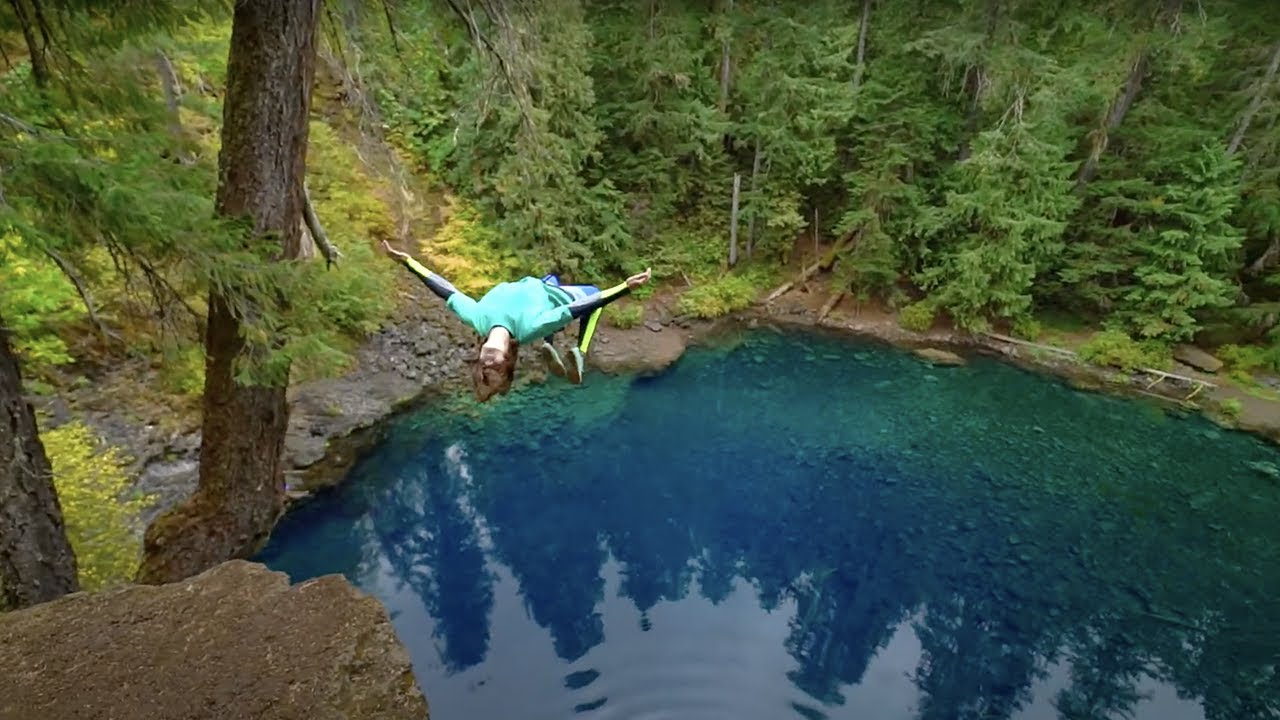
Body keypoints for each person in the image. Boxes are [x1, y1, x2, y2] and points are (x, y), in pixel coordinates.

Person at [381, 240, 651, 401]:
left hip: (537, 284)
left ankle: (551, 346)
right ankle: (579, 353)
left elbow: (444, 289)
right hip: (554, 296)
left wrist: (407, 261)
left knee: (550, 286)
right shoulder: (527, 329)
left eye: (483, 367)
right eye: (496, 368)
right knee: (590, 296)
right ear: (508, 358)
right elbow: (584, 304)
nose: (488, 363)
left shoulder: (477, 318)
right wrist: (625, 287)